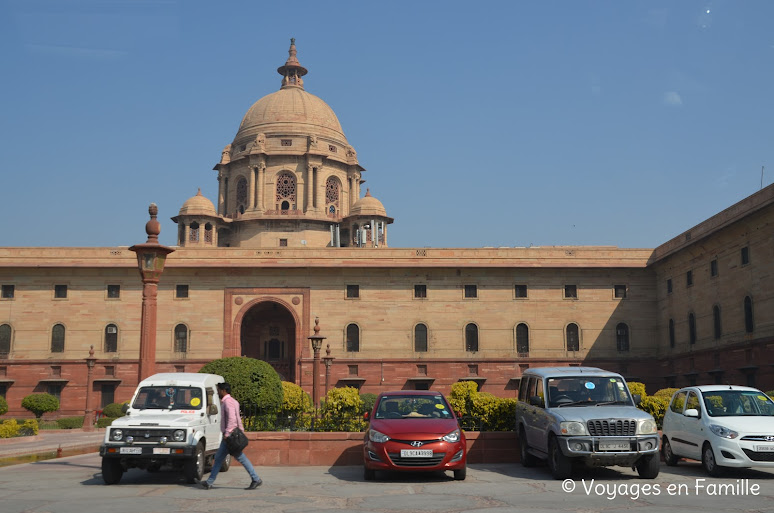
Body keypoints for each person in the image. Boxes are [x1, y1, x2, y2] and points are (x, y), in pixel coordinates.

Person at [201, 382, 262, 490]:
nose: (218, 392)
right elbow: (237, 419)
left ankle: (256, 479)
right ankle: (209, 482)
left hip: (230, 436)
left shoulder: (227, 402)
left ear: (224, 390)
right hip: (232, 434)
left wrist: (228, 433)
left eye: (219, 390)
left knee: (238, 457)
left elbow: (232, 419)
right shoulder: (233, 401)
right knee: (220, 458)